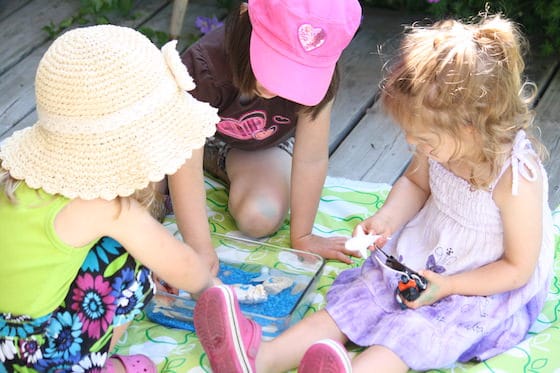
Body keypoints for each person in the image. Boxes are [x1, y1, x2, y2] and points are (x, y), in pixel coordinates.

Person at [191, 13, 555, 372]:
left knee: (411, 333)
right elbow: (415, 184)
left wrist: (448, 286)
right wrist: (386, 220)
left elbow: (517, 269)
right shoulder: (442, 146)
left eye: (423, 138)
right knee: (354, 303)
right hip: (425, 258)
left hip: (478, 284)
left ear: (473, 127)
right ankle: (258, 359)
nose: (414, 143)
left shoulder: (515, 179)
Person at [0, 24, 220, 372]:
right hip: (36, 355)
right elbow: (182, 266)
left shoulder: (10, 169)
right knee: (130, 254)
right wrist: (212, 290)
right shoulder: (108, 208)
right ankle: (96, 364)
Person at [168, 0, 363, 276]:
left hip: (259, 145)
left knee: (260, 216)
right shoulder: (204, 66)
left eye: (298, 73)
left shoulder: (321, 66)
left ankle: (224, 168)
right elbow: (183, 156)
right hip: (189, 140)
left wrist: (303, 236)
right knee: (141, 205)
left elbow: (311, 156)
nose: (279, 85)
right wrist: (200, 248)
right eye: (277, 62)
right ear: (247, 13)